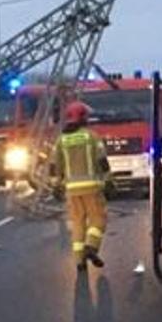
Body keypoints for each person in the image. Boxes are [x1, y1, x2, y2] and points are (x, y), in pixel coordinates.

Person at [54, 100, 110, 272]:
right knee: (98, 220)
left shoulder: (61, 140)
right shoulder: (91, 136)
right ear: (83, 117)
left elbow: (56, 165)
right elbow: (102, 161)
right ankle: (91, 247)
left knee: (78, 224)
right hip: (92, 188)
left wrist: (57, 184)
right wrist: (109, 180)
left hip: (72, 189)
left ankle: (79, 262)